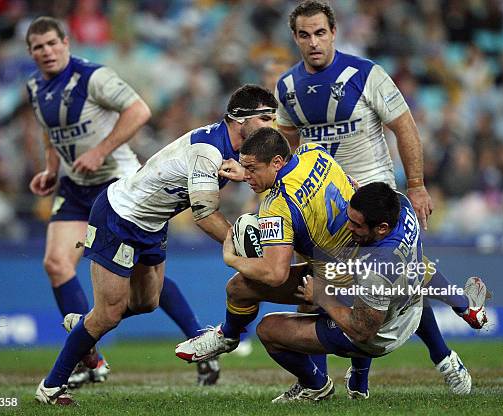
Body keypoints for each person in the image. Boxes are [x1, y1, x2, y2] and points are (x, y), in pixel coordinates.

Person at [175, 129, 487, 400]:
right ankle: (230, 337)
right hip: (352, 261)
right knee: (411, 279)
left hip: (346, 275)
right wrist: (463, 304)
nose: (247, 177)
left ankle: (316, 382)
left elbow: (275, 273)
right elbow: (424, 270)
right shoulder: (315, 153)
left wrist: (233, 257)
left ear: (277, 163)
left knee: (257, 296)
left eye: (252, 169)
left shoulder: (276, 206)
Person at [273, 0, 478, 396]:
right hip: (324, 208)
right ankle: (319, 382)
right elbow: (288, 148)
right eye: (304, 34)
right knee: (323, 284)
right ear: (295, 38)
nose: (313, 41)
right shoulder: (286, 88)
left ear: (334, 32)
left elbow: (404, 126)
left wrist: (416, 184)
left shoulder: (367, 75)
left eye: (320, 32)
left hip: (373, 202)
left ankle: (438, 358)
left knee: (396, 284)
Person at [34, 84, 278, 405]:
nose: (272, 126)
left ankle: (83, 325)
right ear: (239, 119)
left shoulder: (235, 149)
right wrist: (240, 246)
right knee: (108, 315)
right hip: (120, 217)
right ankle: (51, 387)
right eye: (265, 118)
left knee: (148, 301)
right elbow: (204, 214)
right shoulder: (208, 150)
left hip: (152, 222)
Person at [26, 16, 221, 388]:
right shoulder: (35, 86)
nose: (47, 51)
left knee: (144, 284)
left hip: (118, 186)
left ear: (66, 42)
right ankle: (89, 358)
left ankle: (200, 341)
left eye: (52, 43)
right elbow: (51, 132)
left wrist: (100, 151)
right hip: (74, 185)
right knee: (55, 264)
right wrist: (51, 168)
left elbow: (139, 111)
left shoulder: (92, 78)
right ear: (31, 53)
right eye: (38, 47)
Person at [257, 182, 427, 402]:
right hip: (409, 308)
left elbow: (363, 329)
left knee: (268, 329)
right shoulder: (400, 204)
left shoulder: (377, 267)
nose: (349, 227)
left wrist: (322, 295)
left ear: (382, 228)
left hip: (381, 334)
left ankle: (315, 386)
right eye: (350, 218)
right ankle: (358, 380)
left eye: (357, 225)